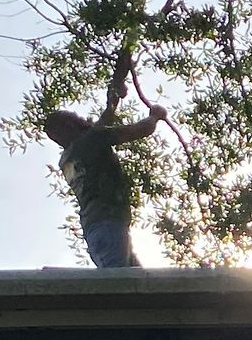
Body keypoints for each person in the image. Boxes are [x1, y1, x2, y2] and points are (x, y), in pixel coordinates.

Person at [41, 103, 168, 269]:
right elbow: (140, 130)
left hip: (97, 227)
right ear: (71, 125)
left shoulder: (69, 158)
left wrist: (112, 103)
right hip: (109, 225)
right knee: (120, 280)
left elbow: (98, 128)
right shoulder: (91, 140)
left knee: (136, 278)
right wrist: (155, 116)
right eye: (77, 117)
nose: (83, 119)